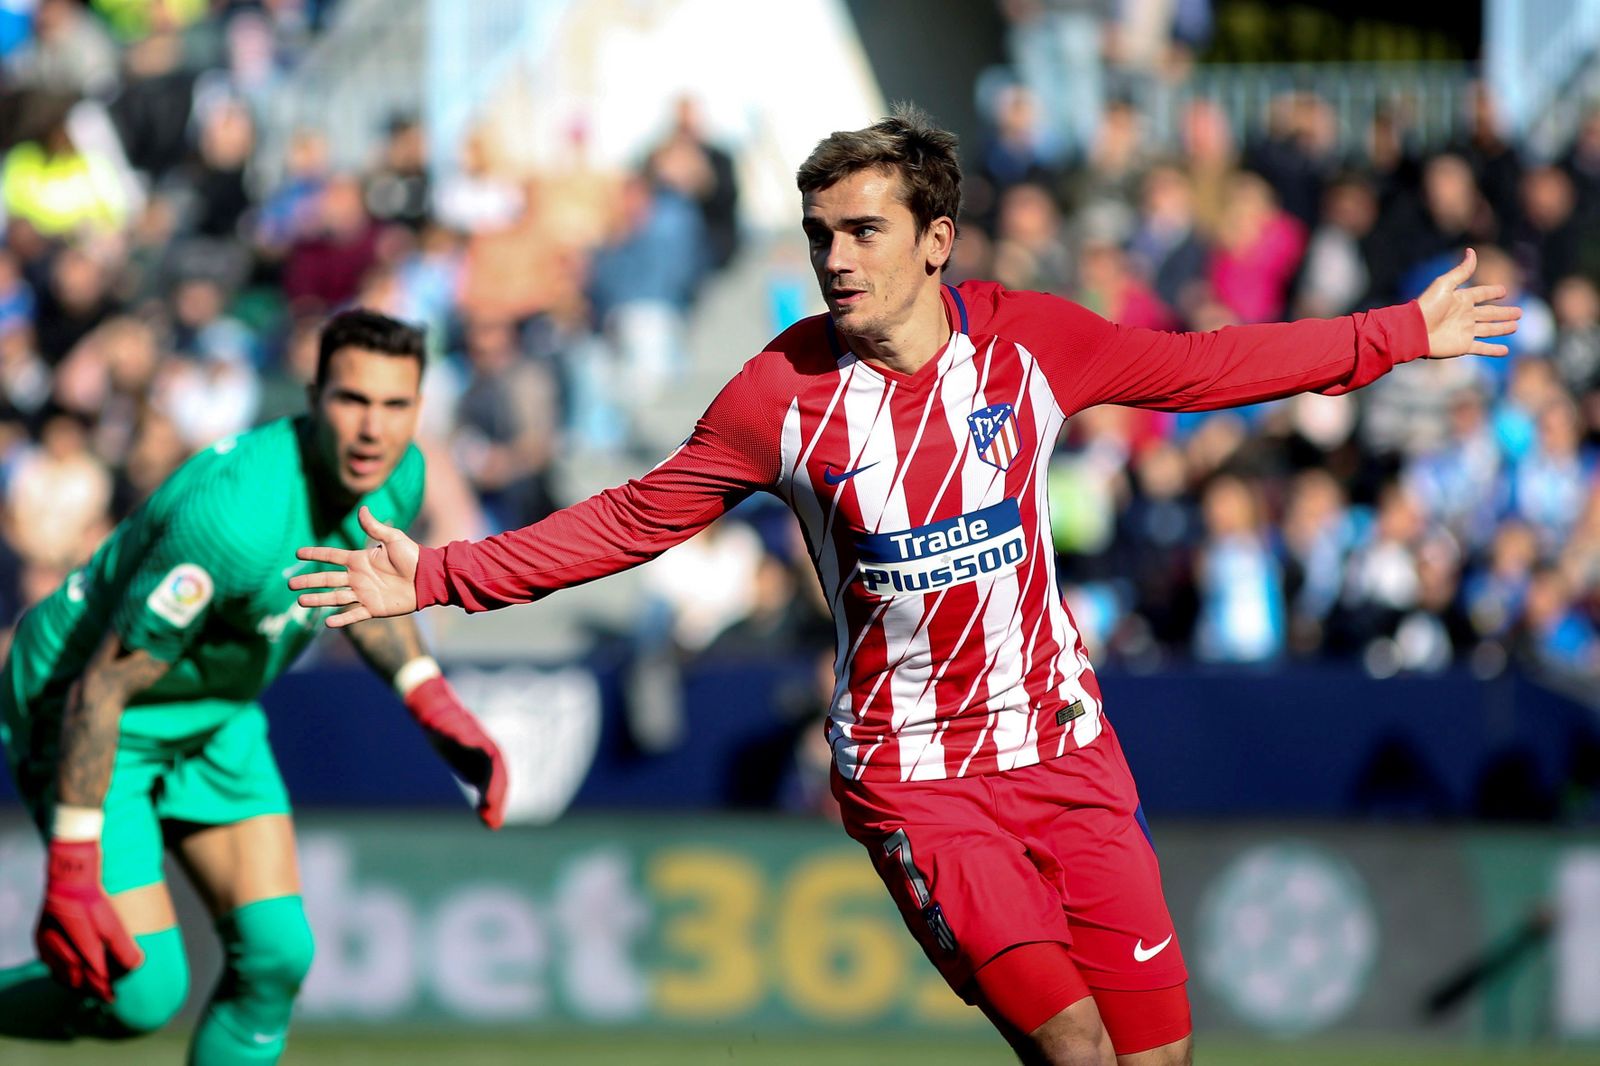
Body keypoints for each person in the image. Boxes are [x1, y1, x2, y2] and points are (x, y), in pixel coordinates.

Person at [291, 108, 1518, 1066]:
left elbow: (1199, 367)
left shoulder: (1027, 341)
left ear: (935, 240)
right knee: (1076, 1046)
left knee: (1159, 1052)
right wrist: (444, 570)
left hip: (1068, 752)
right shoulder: (779, 395)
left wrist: (1396, 336)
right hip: (919, 782)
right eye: (819, 232)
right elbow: (634, 516)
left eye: (860, 231)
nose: (833, 257)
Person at [0, 309, 508, 1064]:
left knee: (276, 958)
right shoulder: (236, 516)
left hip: (212, 708)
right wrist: (71, 872)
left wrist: (428, 693)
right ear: (312, 397)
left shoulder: (401, 478)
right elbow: (103, 687)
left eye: (395, 405)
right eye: (352, 400)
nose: (373, 429)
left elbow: (349, 593)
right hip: (90, 705)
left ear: (420, 407)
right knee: (139, 991)